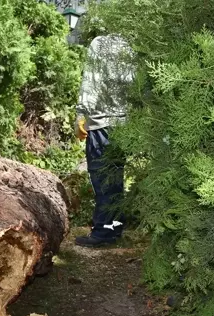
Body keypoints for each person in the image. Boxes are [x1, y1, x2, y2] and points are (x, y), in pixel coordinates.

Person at [74, 35, 134, 248]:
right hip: (125, 126)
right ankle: (115, 228)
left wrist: (80, 116)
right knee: (116, 180)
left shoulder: (100, 43)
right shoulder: (132, 43)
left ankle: (102, 233)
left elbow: (91, 81)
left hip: (101, 125)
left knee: (102, 181)